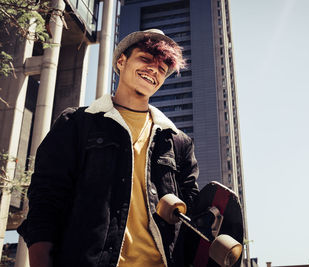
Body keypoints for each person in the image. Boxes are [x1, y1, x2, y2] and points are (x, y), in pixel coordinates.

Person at [17, 29, 199, 267]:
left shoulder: (177, 142)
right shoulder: (76, 125)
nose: (154, 70)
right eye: (145, 59)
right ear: (121, 61)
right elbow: (45, 202)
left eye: (162, 68)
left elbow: (193, 218)